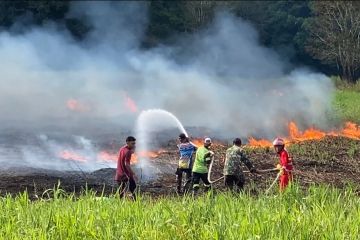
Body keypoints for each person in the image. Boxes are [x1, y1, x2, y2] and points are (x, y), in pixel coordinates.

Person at [114, 136, 137, 200]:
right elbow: (127, 164)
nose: (133, 145)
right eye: (132, 143)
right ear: (127, 142)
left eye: (134, 143)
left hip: (119, 174)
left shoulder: (122, 149)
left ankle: (120, 204)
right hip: (125, 175)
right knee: (133, 188)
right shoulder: (128, 152)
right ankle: (135, 203)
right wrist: (133, 174)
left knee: (121, 191)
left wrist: (132, 150)